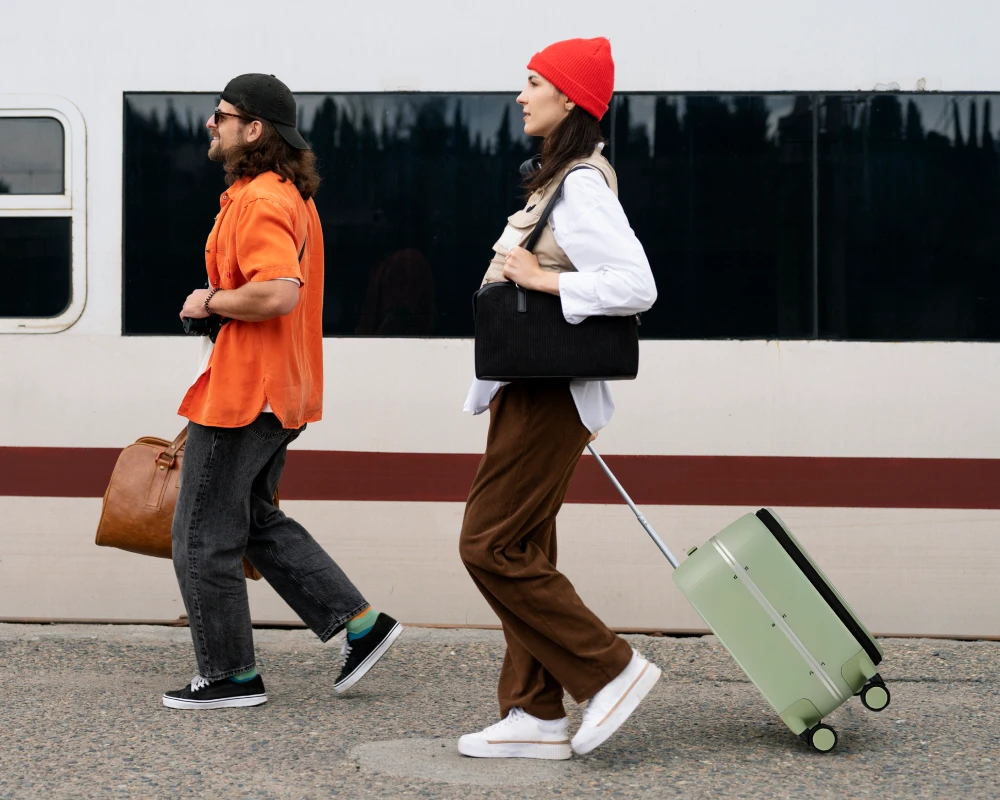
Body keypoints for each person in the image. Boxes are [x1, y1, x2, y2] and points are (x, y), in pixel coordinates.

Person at [163, 74, 401, 710]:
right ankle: (359, 623)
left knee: (199, 538)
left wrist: (208, 300)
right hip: (277, 390)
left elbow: (277, 292)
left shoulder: (262, 201)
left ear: (254, 129)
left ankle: (230, 676)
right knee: (252, 520)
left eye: (221, 115)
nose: (210, 125)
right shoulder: (279, 194)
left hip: (248, 394)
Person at [458, 38, 660, 758]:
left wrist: (543, 282)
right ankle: (535, 713)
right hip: (529, 388)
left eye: (534, 81)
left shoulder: (579, 185)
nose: (522, 94)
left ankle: (611, 669)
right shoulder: (559, 180)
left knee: (487, 544)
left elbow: (638, 286)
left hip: (548, 394)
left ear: (568, 97)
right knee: (525, 544)